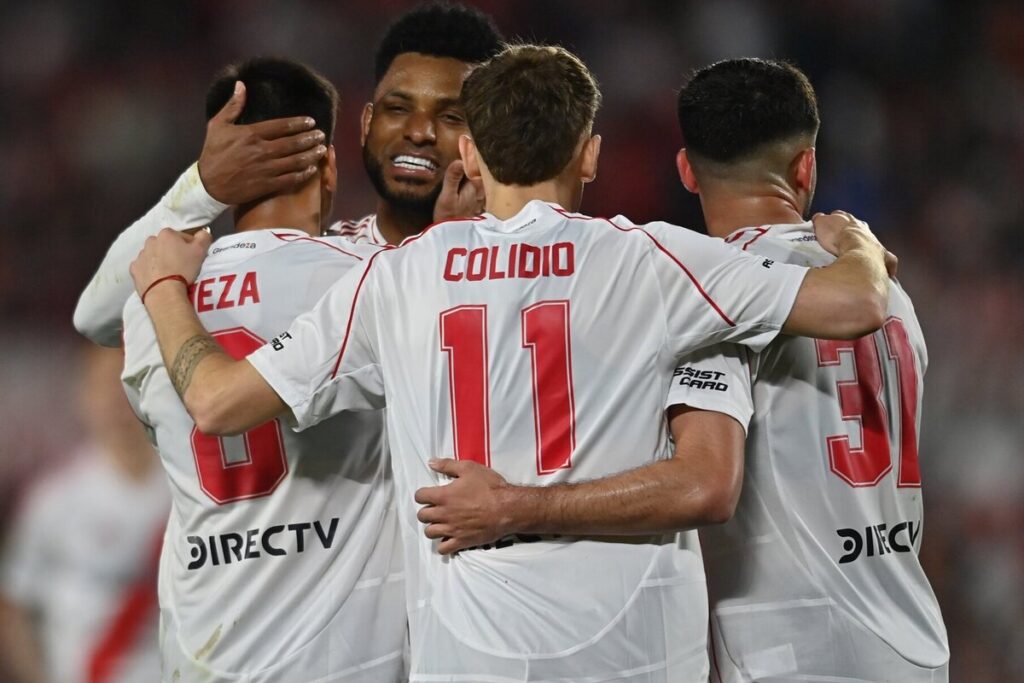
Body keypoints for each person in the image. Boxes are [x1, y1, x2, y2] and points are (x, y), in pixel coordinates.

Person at [127, 45, 892, 681]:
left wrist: (163, 285)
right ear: (590, 153)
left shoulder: (398, 277)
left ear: (469, 151)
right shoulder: (654, 259)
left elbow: (218, 399)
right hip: (633, 645)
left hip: (469, 648)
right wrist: (857, 242)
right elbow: (856, 304)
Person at [413, 58, 950, 682]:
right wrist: (859, 245)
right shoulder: (886, 289)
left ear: (686, 171)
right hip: (911, 636)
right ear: (806, 166)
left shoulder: (707, 299)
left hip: (786, 648)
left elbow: (698, 481)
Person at [119, 58, 404, 682]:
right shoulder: (369, 283)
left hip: (201, 657)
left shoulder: (150, 307)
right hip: (338, 664)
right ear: (328, 164)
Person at [73, 1, 503, 347]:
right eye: (398, 109)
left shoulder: (539, 259)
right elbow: (97, 317)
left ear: (487, 137)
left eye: (451, 116)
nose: (419, 132)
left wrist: (452, 255)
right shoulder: (327, 262)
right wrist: (202, 190)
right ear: (366, 124)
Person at [0, 344, 168, 683]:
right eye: (104, 385)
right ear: (84, 395)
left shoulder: (190, 490)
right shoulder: (54, 497)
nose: (116, 401)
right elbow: (13, 605)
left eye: (128, 385)